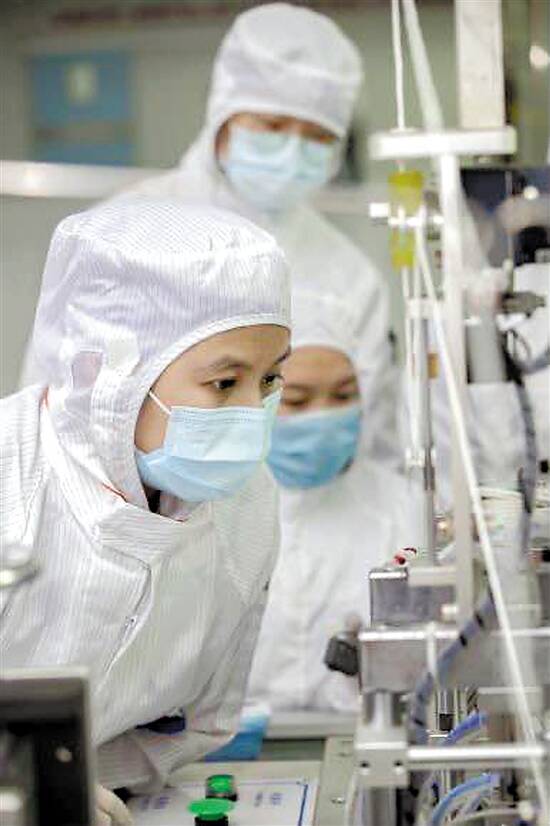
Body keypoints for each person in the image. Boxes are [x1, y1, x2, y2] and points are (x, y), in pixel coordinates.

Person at [0, 199, 290, 822]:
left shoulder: (244, 503)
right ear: (109, 375)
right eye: (224, 383)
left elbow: (193, 724)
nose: (252, 413)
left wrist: (83, 782)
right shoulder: (9, 476)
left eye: (269, 380)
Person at [116, 1, 396, 462]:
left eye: (318, 136)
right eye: (272, 125)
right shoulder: (128, 230)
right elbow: (64, 401)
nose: (292, 151)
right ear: (223, 117)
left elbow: (373, 438)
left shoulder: (348, 271)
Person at [246, 289, 419, 713]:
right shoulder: (211, 510)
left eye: (342, 396)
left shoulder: (405, 509)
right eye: (297, 399)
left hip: (367, 738)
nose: (322, 415)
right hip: (232, 744)